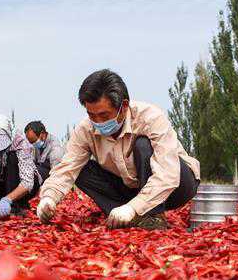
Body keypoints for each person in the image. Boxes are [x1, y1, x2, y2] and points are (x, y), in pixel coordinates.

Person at [37, 69, 200, 230]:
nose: (98, 122)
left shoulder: (151, 118)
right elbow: (67, 168)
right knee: (81, 168)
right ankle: (124, 215)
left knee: (142, 145)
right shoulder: (85, 129)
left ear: (124, 106)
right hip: (131, 188)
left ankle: (151, 216)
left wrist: (133, 207)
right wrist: (49, 198)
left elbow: (168, 174)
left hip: (178, 185)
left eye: (104, 115)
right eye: (91, 115)